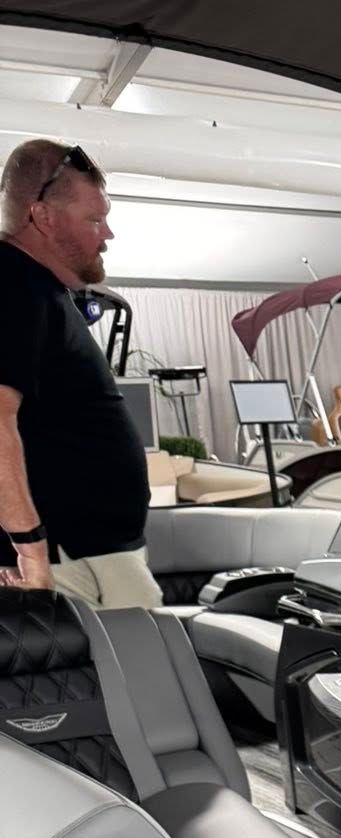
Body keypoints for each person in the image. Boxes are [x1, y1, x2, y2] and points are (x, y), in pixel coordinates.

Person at [0, 138, 160, 608]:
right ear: (42, 217)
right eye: (94, 219)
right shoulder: (11, 282)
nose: (106, 234)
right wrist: (31, 554)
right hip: (69, 562)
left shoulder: (40, 289)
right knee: (147, 680)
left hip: (91, 556)